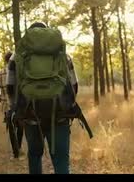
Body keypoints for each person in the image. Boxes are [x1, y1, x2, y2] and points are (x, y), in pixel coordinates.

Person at [6, 22, 79, 174]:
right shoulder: (62, 55)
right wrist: (64, 105)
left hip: (31, 117)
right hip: (59, 117)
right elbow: (74, 86)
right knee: (61, 161)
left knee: (34, 156)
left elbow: (10, 88)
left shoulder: (16, 56)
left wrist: (19, 110)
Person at [0, 51, 24, 158]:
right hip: (19, 103)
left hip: (6, 104)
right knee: (20, 125)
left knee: (11, 127)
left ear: (5, 60)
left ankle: (15, 152)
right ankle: (19, 146)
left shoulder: (0, 73)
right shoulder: (19, 71)